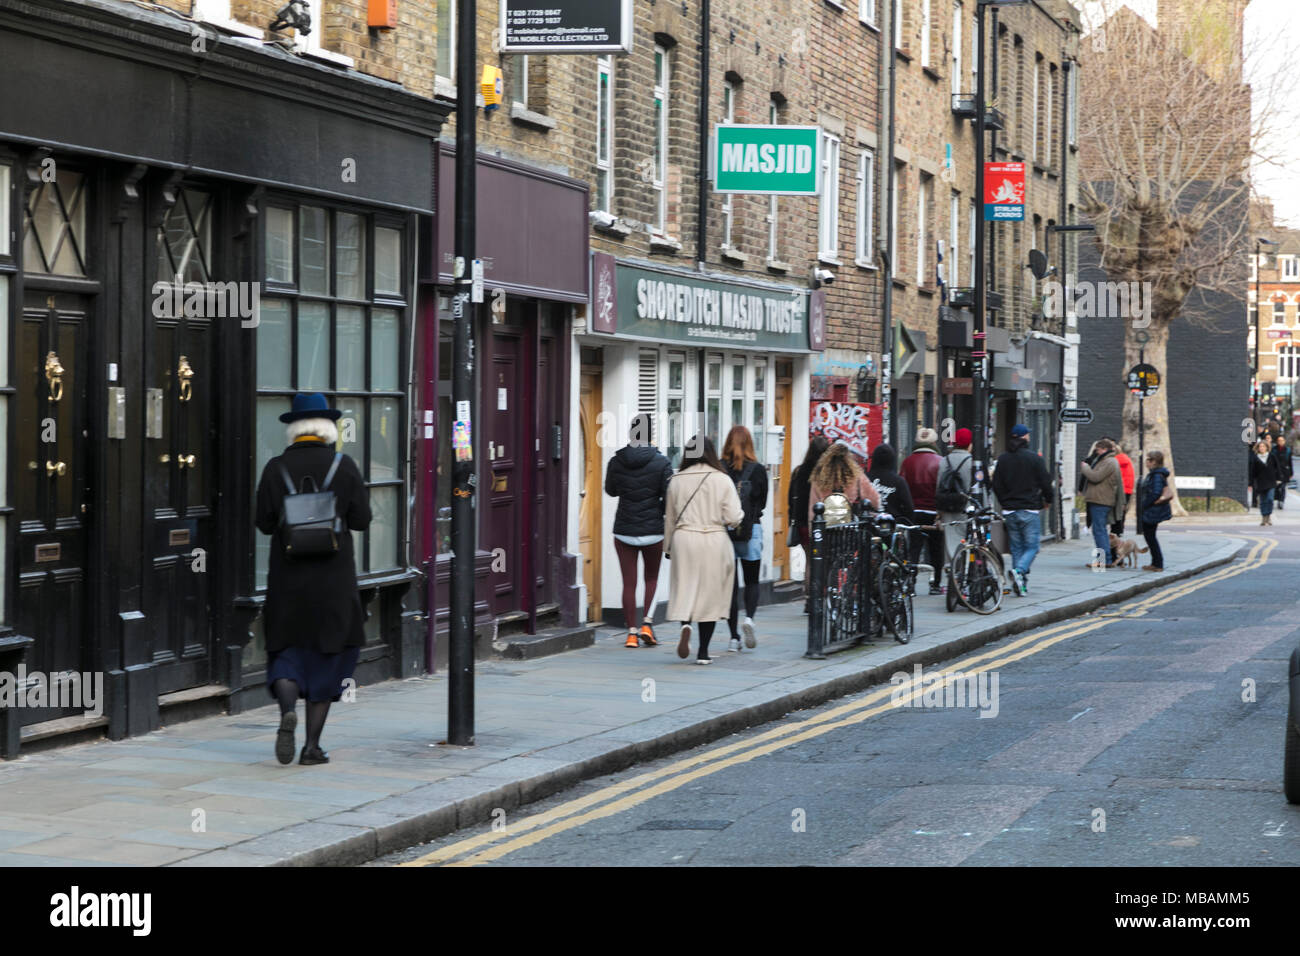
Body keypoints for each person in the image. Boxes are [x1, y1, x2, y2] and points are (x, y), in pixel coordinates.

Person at [255, 392, 371, 766]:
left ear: (294, 429)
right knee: (327, 656)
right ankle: (311, 747)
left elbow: (264, 523)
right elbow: (361, 520)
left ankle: (287, 709)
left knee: (287, 652)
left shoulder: (275, 468)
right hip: (334, 582)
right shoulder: (344, 465)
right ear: (327, 428)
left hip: (288, 580)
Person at [664, 435, 743, 665]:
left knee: (686, 588)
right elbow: (733, 517)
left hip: (684, 538)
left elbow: (669, 518)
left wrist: (667, 547)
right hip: (714, 540)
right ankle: (703, 652)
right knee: (709, 596)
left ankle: (686, 624)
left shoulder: (676, 479)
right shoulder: (722, 479)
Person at [604, 413, 674, 648]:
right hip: (653, 529)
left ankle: (631, 633)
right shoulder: (661, 462)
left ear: (630, 434)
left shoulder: (616, 460)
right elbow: (669, 496)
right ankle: (647, 624)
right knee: (652, 578)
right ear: (650, 435)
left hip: (624, 529)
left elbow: (611, 490)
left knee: (629, 582)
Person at [991, 423, 1054, 596]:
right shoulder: (1034, 459)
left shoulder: (1003, 459)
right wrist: (1048, 500)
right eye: (1028, 435)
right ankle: (1019, 572)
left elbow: (996, 484)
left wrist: (1004, 501)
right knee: (1033, 547)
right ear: (1024, 437)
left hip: (1009, 510)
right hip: (1029, 509)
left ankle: (1021, 585)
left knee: (1017, 548)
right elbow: (1046, 483)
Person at [722, 426, 768, 652]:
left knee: (730, 587)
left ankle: (733, 638)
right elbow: (763, 504)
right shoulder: (758, 470)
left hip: (725, 532)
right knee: (751, 581)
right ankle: (749, 618)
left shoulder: (721, 469)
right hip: (752, 530)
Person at [900, 428, 945, 595]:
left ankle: (910, 583)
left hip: (914, 511)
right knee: (936, 549)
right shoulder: (940, 461)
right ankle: (935, 584)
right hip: (934, 511)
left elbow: (902, 485)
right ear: (934, 443)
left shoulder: (907, 462)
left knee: (914, 549)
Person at [788, 435, 830, 610]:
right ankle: (821, 597)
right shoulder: (826, 472)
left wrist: (794, 519)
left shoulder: (799, 471)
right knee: (825, 561)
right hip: (823, 523)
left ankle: (808, 599)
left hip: (803, 523)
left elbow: (791, 497)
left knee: (809, 562)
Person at [808, 441, 881, 524]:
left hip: (826, 528)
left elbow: (812, 509)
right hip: (849, 529)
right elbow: (875, 501)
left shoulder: (818, 478)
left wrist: (813, 533)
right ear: (849, 459)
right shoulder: (856, 475)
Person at [935, 427, 976, 568]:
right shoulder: (971, 462)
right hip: (964, 506)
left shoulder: (944, 461)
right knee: (964, 538)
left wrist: (938, 510)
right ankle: (962, 568)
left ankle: (953, 568)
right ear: (969, 444)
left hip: (946, 505)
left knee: (950, 538)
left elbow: (939, 485)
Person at [1080, 439, 1124, 567]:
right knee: (1100, 530)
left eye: (1097, 450)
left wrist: (1085, 468)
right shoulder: (1106, 461)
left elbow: (1095, 477)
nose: (1096, 452)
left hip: (1101, 500)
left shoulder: (1109, 462)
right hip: (1099, 499)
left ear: (1104, 449)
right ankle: (1104, 559)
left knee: (1099, 531)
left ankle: (1104, 560)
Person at [1137, 449, 1172, 571]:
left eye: (1148, 460)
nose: (1146, 462)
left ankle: (1157, 564)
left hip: (1152, 510)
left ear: (1154, 462)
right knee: (1150, 537)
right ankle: (1156, 563)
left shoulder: (1156, 475)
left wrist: (1145, 505)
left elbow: (1156, 493)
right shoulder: (1156, 474)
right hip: (1153, 509)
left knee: (1150, 537)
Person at [867, 442, 914, 523]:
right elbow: (909, 508)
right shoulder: (899, 481)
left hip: (868, 526)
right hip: (892, 527)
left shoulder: (864, 479)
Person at [1103, 437, 1135, 537]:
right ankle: (1119, 530)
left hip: (1121, 489)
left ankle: (1116, 530)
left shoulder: (1116, 461)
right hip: (1127, 489)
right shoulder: (1124, 459)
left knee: (1117, 510)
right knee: (1122, 510)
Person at [1249, 438, 1283, 526]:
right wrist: (1251, 483)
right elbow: (1252, 472)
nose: (1262, 448)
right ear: (1258, 448)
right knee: (1263, 501)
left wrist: (1279, 478)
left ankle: (1268, 515)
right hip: (1260, 482)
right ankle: (1264, 518)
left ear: (1267, 447)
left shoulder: (1272, 456)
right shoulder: (1255, 458)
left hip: (1271, 481)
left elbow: (1277, 468)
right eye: (1260, 446)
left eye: (1263, 446)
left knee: (1270, 499)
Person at [1274, 433, 1294, 510]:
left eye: (1282, 440)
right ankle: (1278, 499)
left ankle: (1281, 501)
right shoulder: (1274, 450)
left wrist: (1291, 472)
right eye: (1279, 440)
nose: (1280, 442)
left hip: (1285, 471)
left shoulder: (1288, 450)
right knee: (1277, 487)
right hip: (1276, 471)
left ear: (1284, 441)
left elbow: (1290, 462)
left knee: (1283, 487)